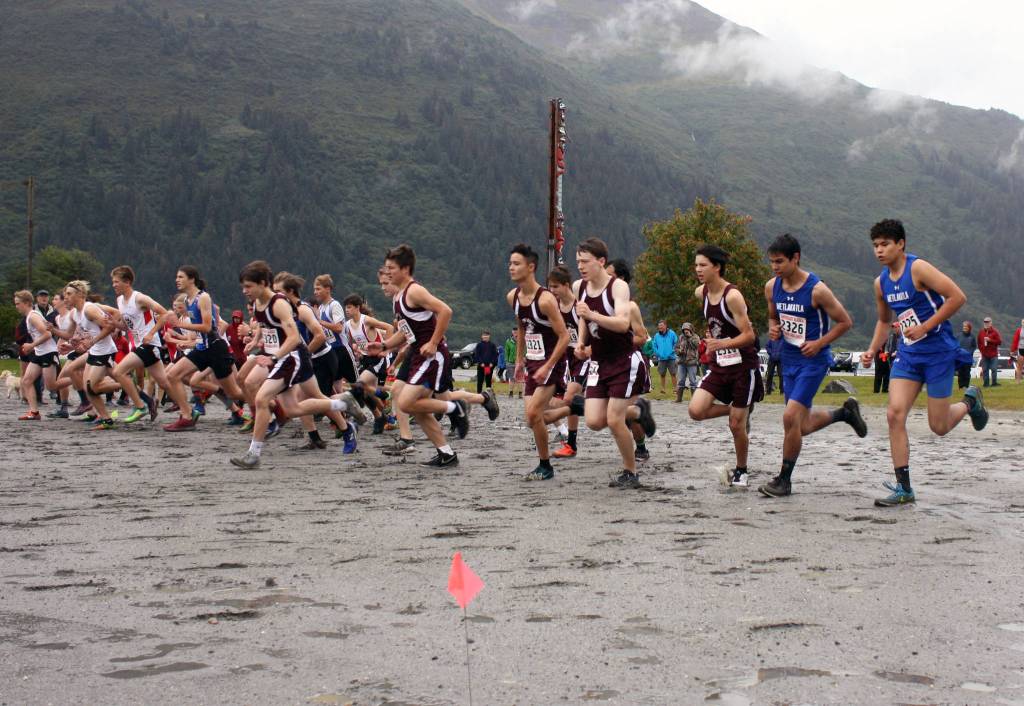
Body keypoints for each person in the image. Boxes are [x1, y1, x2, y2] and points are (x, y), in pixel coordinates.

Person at [859, 219, 987, 507]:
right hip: (909, 355)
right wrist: (871, 349)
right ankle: (904, 488)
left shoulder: (917, 269)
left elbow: (957, 297)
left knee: (939, 426)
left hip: (938, 352)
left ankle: (970, 401)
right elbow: (883, 320)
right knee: (894, 414)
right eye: (875, 246)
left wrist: (926, 326)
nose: (879, 251)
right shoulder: (880, 283)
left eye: (885, 244)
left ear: (900, 244)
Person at [366, 244, 499, 468]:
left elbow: (445, 310)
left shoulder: (414, 291)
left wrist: (434, 342)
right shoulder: (398, 297)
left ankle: (454, 409)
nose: (388, 273)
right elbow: (406, 331)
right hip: (419, 354)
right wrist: (385, 345)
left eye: (392, 268)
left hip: (431, 356)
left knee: (407, 402)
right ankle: (446, 453)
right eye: (386, 268)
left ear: (405, 269)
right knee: (419, 407)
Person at [756, 234, 868, 498]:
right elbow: (773, 316)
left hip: (813, 362)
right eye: (771, 262)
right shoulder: (772, 287)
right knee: (801, 425)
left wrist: (819, 343)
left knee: (789, 418)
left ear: (796, 258)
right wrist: (774, 329)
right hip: (789, 359)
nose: (775, 267)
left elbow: (845, 322)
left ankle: (784, 480)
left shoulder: (817, 290)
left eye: (780, 261)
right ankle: (845, 414)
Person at [572, 238, 656, 489]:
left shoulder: (618, 288)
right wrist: (581, 342)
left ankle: (630, 472)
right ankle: (638, 409)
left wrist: (592, 315)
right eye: (578, 262)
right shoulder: (579, 286)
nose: (581, 267)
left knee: (613, 420)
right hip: (598, 361)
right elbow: (582, 316)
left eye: (585, 262)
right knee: (595, 421)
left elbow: (621, 324)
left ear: (601, 262)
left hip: (622, 360)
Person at [687, 245, 764, 488]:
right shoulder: (701, 293)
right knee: (696, 411)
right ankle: (736, 410)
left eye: (703, 265)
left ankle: (742, 470)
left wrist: (722, 343)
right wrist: (713, 341)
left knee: (735, 426)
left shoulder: (732, 296)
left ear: (717, 267)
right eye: (696, 264)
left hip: (743, 367)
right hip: (719, 365)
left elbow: (749, 336)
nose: (698, 269)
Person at [506, 243, 572, 480]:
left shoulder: (545, 300)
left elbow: (564, 336)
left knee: (534, 413)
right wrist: (521, 359)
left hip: (552, 363)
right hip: (533, 363)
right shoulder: (513, 297)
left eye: (516, 263)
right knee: (533, 417)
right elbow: (523, 327)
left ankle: (546, 467)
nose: (511, 268)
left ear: (530, 267)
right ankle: (575, 407)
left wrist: (546, 365)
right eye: (510, 263)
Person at [162, 266, 246, 431]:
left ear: (192, 279)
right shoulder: (187, 300)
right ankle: (187, 416)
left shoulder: (203, 298)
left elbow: (208, 327)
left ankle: (271, 403)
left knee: (235, 393)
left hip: (215, 348)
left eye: (180, 277)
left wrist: (179, 324)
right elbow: (196, 329)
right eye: (176, 277)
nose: (177, 280)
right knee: (172, 375)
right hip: (202, 348)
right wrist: (184, 337)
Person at [13, 290, 60, 420]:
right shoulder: (30, 316)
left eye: (18, 303)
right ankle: (34, 412)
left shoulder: (33, 316)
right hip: (39, 353)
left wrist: (31, 345)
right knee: (27, 381)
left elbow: (48, 334)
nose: (16, 306)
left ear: (27, 303)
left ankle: (80, 381)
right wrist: (32, 347)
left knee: (51, 386)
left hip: (48, 353)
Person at [674, 323, 701, 402]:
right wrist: (679, 351)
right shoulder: (681, 337)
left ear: (690, 329)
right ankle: (679, 399)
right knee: (681, 380)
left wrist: (689, 337)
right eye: (684, 329)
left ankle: (694, 400)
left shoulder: (695, 337)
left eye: (687, 329)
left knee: (693, 381)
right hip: (681, 362)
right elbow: (676, 347)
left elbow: (697, 346)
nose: (685, 331)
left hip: (691, 362)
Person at [651, 320, 677, 395]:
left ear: (665, 325)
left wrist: (672, 351)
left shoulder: (672, 333)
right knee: (662, 374)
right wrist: (658, 353)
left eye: (661, 325)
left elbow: (676, 343)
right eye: (659, 326)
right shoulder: (656, 335)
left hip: (671, 357)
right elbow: (654, 345)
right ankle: (663, 389)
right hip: (661, 358)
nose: (660, 327)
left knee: (673, 373)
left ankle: (675, 389)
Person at [977, 317, 1002, 387]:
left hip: (993, 354)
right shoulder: (981, 332)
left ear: (991, 323)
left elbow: (999, 342)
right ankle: (986, 384)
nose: (986, 323)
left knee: (994, 369)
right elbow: (978, 343)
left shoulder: (995, 332)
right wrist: (981, 350)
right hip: (984, 354)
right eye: (985, 322)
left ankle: (994, 383)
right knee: (985, 369)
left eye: (988, 322)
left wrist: (990, 340)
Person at [1012, 319, 1024, 384]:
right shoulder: (1019, 330)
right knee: (1020, 366)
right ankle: (1018, 381)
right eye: (1023, 322)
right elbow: (1015, 340)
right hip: (1021, 349)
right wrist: (1013, 350)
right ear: (1021, 323)